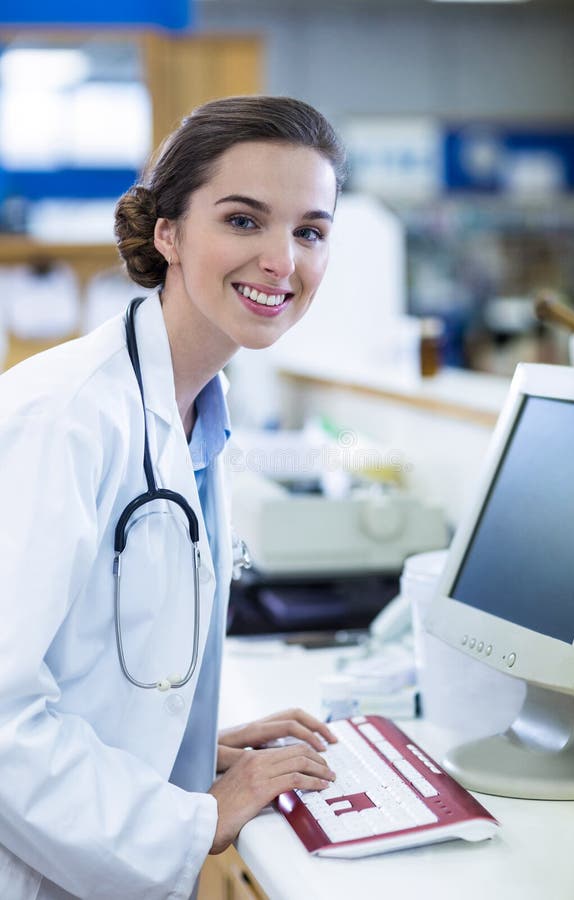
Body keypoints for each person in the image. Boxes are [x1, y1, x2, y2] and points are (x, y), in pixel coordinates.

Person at [0, 96, 347, 900]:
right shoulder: (66, 418)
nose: (281, 261)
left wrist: (189, 751)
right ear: (169, 234)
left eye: (310, 231)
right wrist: (197, 816)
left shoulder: (195, 409)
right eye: (242, 220)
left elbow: (90, 661)